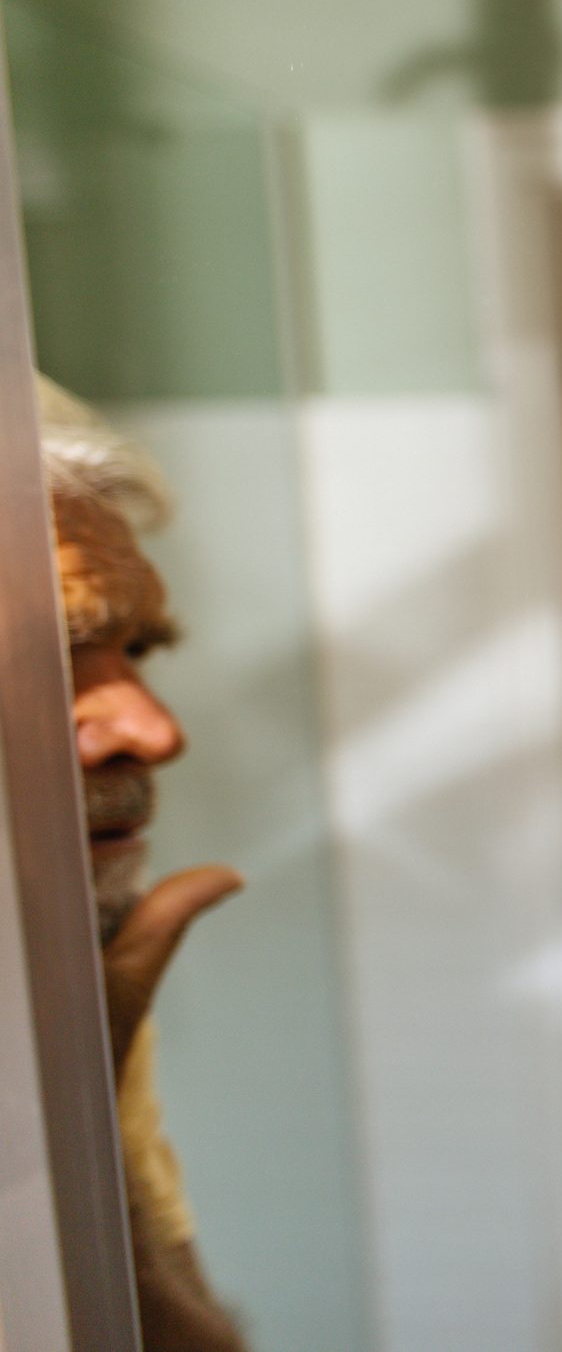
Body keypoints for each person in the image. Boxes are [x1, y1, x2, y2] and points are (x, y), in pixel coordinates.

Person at [41, 377, 247, 1350]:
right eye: (53, 659)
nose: (155, 732)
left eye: (138, 652)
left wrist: (82, 1115)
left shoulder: (87, 982)